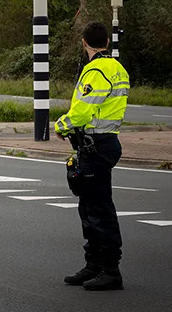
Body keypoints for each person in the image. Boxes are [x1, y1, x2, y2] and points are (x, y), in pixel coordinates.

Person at [55, 21, 131, 291]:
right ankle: (94, 265)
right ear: (107, 43)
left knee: (98, 209)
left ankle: (111, 270)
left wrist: (61, 125)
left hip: (96, 145)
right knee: (88, 206)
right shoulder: (117, 68)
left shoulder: (95, 70)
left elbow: (84, 111)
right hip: (104, 143)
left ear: (84, 42)